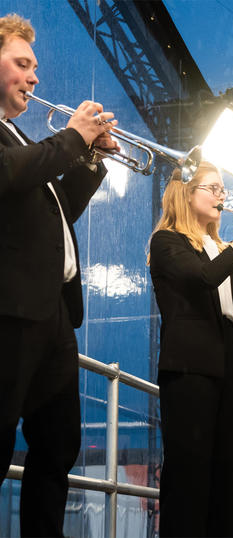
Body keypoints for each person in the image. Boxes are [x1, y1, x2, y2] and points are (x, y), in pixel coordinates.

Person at [0, 13, 119, 536]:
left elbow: (54, 212)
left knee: (58, 446)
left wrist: (89, 161)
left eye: (35, 66)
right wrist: (72, 139)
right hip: (9, 316)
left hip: (52, 318)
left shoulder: (23, 139)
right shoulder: (18, 151)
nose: (35, 77)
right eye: (22, 64)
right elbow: (13, 177)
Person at [148, 163, 233, 536]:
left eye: (223, 189)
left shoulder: (219, 246)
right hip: (190, 369)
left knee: (227, 476)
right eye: (214, 188)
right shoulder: (168, 241)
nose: (223, 196)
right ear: (186, 193)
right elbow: (206, 278)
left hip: (229, 369)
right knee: (189, 475)